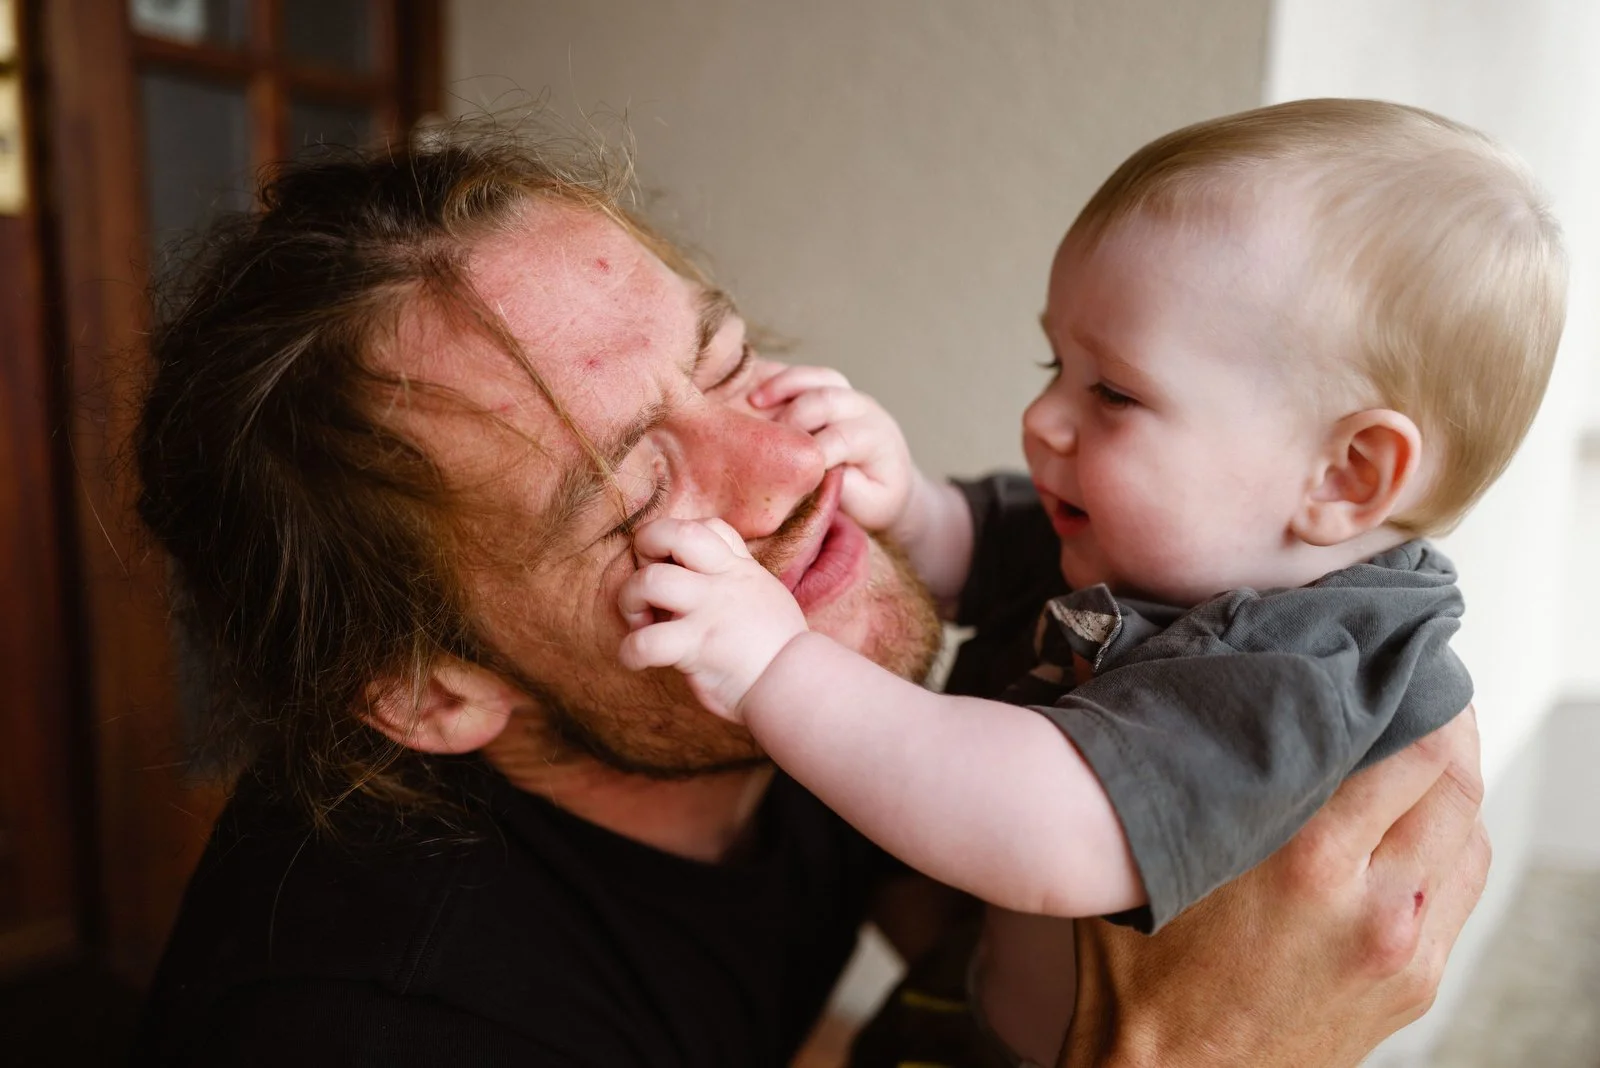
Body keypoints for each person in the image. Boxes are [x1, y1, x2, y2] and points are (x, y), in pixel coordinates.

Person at [128, 119, 1490, 1068]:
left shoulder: (780, 709)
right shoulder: (391, 1030)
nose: (793, 467)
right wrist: (1186, 1056)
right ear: (434, 686)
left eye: (728, 362)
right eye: (634, 499)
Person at [616, 99, 1560, 1065]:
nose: (1042, 419)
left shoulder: (1301, 667)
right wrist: (905, 506)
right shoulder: (1153, 555)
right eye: (1053, 363)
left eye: (1112, 392)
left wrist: (774, 665)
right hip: (974, 999)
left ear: (1346, 476)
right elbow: (978, 554)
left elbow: (1044, 823)